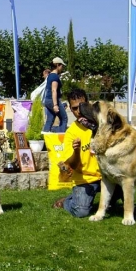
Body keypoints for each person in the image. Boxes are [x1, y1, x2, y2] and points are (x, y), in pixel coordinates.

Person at [52, 88, 122, 217]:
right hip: (85, 179)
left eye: (81, 106)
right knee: (81, 211)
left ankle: (111, 200)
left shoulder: (102, 122)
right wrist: (76, 150)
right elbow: (72, 166)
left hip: (107, 174)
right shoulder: (71, 133)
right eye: (74, 108)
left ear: (88, 104)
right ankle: (67, 201)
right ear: (70, 109)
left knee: (127, 181)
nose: (78, 111)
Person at [42, 57, 68, 133]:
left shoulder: (50, 76)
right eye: (61, 66)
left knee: (49, 120)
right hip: (53, 101)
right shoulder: (54, 76)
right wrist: (55, 105)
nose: (62, 68)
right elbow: (54, 90)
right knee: (64, 118)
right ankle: (61, 138)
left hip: (47, 100)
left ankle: (45, 137)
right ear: (57, 65)